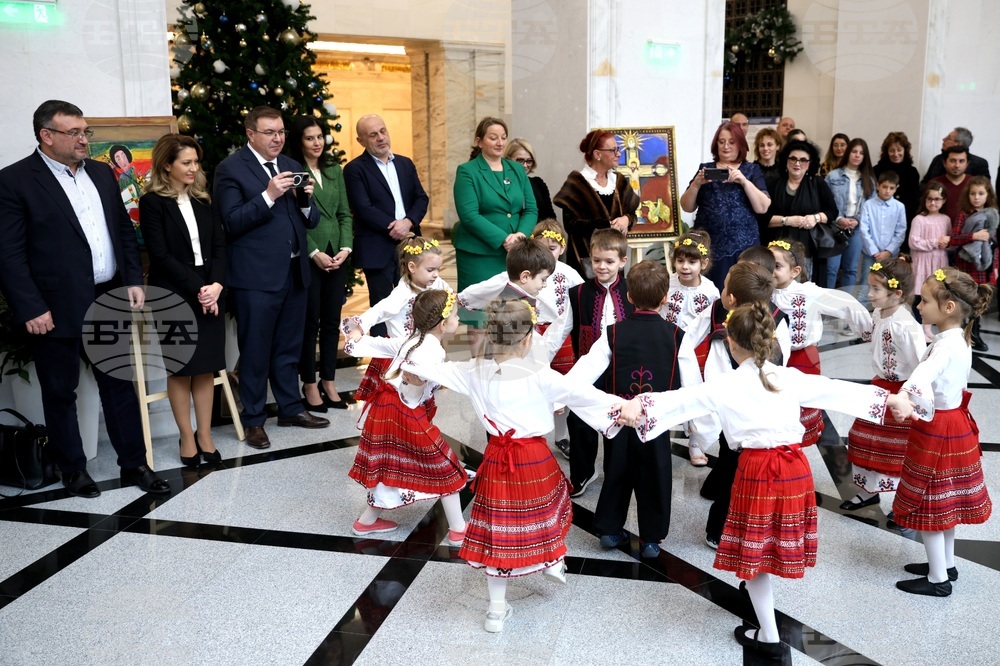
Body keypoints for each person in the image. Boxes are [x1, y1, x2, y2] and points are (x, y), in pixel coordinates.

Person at [616, 302, 908, 659]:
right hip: (796, 469)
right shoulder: (788, 376)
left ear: (731, 345)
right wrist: (890, 399)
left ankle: (768, 638)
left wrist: (637, 406)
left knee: (753, 553)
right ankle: (759, 596)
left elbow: (680, 401)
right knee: (766, 544)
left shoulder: (726, 384)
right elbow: (836, 390)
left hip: (759, 470)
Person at [402, 299, 624, 633]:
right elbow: (586, 395)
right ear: (526, 340)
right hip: (533, 459)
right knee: (546, 511)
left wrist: (411, 364)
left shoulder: (473, 370)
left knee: (499, 532)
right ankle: (552, 561)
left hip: (497, 459)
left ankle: (496, 610)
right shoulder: (541, 375)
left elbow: (428, 363)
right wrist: (629, 408)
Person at [0, 100, 169, 497]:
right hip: (53, 307)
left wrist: (132, 278)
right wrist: (31, 307)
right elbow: (8, 254)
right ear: (47, 136)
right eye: (74, 132)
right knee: (60, 392)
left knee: (119, 386)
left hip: (108, 296)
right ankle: (73, 468)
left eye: (85, 131)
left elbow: (123, 232)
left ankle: (134, 465)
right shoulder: (15, 181)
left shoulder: (101, 172)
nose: (84, 140)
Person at [213, 106, 329, 451]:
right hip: (255, 277)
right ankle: (253, 420)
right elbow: (231, 221)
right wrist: (269, 195)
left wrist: (306, 200)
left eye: (280, 132)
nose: (278, 138)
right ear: (251, 134)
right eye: (269, 132)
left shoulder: (291, 165)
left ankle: (291, 408)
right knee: (255, 350)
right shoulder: (231, 169)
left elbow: (309, 220)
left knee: (288, 347)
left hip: (294, 272)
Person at [566, 260, 682, 558]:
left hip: (618, 418)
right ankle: (651, 539)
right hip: (655, 423)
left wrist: (561, 396)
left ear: (629, 297)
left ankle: (609, 529)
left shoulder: (613, 332)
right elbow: (691, 387)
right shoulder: (676, 335)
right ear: (666, 297)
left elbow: (585, 371)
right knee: (655, 475)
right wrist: (699, 432)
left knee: (616, 470)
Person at [892, 267, 993, 597]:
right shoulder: (959, 338)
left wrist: (904, 395)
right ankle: (945, 564)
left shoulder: (943, 347)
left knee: (930, 505)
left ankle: (938, 580)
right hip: (955, 425)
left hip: (938, 430)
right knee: (944, 503)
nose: (918, 305)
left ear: (948, 307)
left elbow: (923, 375)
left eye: (924, 300)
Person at [679, 261, 792, 545]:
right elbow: (686, 342)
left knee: (735, 462)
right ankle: (715, 493)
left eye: (725, 283)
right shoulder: (716, 310)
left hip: (752, 406)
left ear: (731, 298)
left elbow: (780, 366)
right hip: (722, 396)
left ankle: (717, 530)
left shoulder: (777, 321)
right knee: (728, 456)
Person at [344, 289, 467, 540]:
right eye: (456, 316)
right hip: (405, 414)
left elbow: (372, 344)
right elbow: (429, 377)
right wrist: (418, 373)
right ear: (443, 324)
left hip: (388, 411)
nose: (459, 320)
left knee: (390, 465)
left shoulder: (412, 338)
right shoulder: (431, 349)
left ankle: (366, 522)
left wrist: (355, 333)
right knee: (445, 466)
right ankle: (458, 530)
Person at [140, 134, 226, 467]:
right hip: (173, 295)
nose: (194, 168)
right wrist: (199, 289)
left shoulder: (205, 200)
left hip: (210, 290)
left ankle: (205, 434)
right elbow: (160, 256)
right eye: (186, 163)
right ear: (167, 166)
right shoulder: (152, 203)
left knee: (204, 369)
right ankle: (186, 436)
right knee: (181, 369)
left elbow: (220, 246)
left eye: (196, 162)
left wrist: (216, 285)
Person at [840, 259, 925, 512]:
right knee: (865, 439)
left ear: (897, 293)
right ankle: (869, 491)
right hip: (879, 387)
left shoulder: (907, 325)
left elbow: (921, 365)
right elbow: (871, 333)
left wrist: (912, 398)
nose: (870, 294)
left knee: (896, 449)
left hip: (902, 393)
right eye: (870, 288)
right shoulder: (879, 312)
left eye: (876, 289)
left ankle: (905, 501)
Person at [768, 240, 869, 446]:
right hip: (771, 358)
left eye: (777, 266)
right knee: (775, 400)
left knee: (802, 400)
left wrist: (867, 331)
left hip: (802, 356)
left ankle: (797, 444)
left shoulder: (808, 293)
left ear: (795, 271)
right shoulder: (762, 291)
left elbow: (845, 302)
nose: (770, 271)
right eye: (766, 265)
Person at [286, 115, 353, 411]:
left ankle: (329, 379)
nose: (316, 143)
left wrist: (346, 248)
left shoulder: (335, 170)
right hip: (310, 256)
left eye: (319, 137)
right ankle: (309, 383)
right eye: (309, 138)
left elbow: (345, 214)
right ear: (299, 141)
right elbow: (294, 219)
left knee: (331, 322)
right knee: (309, 323)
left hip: (337, 255)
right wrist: (314, 252)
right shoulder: (292, 171)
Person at [343, 114, 429, 338]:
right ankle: (382, 365)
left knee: (414, 303)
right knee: (382, 307)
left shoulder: (405, 163)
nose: (380, 138)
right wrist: (394, 227)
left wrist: (408, 222)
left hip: (411, 244)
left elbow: (421, 198)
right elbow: (363, 207)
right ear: (361, 140)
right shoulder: (354, 169)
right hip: (376, 247)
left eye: (383, 131)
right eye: (373, 135)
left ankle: (413, 357)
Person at [566, 229, 633, 497]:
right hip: (587, 371)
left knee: (617, 421)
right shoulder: (578, 293)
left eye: (608, 261)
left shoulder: (632, 291)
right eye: (596, 261)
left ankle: (615, 472)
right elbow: (563, 329)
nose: (601, 266)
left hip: (621, 370)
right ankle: (582, 472)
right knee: (580, 421)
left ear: (622, 262)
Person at [343, 235, 450, 401]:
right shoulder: (403, 293)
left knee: (423, 396)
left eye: (438, 269)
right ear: (412, 267)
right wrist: (360, 327)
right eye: (430, 270)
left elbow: (451, 297)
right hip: (402, 351)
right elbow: (380, 309)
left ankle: (420, 424)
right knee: (401, 398)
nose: (436, 275)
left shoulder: (438, 284)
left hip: (424, 351)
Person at [679, 122, 771, 290]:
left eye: (731, 141)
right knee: (709, 294)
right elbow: (686, 206)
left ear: (740, 144)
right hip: (709, 245)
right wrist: (696, 184)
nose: (726, 146)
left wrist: (744, 181)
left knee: (742, 290)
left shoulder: (751, 170)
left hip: (743, 246)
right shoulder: (705, 168)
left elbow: (763, 207)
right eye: (721, 142)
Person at [453, 117, 538, 298]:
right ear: (479, 141)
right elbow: (469, 215)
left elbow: (531, 209)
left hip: (515, 252)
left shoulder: (516, 169)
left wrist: (521, 235)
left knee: (513, 312)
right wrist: (503, 239)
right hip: (480, 253)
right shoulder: (467, 171)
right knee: (479, 316)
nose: (500, 143)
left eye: (503, 137)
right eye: (493, 138)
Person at [530, 219, 585, 458]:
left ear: (562, 249)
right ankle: (534, 433)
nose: (546, 253)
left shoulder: (569, 273)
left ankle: (562, 435)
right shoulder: (526, 271)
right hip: (533, 334)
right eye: (541, 247)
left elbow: (583, 298)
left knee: (562, 385)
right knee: (534, 384)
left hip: (562, 335)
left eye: (552, 248)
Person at [553, 130, 639, 276]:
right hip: (585, 262)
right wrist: (606, 225)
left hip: (614, 262)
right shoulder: (577, 183)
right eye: (613, 150)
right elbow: (571, 226)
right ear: (597, 154)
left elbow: (631, 214)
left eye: (618, 149)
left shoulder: (619, 181)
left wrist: (627, 219)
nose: (618, 154)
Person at [760, 139, 838, 280]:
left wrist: (815, 218)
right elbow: (763, 218)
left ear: (809, 164)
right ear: (786, 160)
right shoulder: (773, 184)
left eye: (803, 160)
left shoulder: (817, 183)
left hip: (809, 248)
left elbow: (832, 212)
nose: (797, 163)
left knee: (805, 289)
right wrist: (787, 220)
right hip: (777, 248)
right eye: (793, 159)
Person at [948, 176, 999, 352]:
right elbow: (954, 239)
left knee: (980, 300)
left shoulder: (992, 216)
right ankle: (963, 332)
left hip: (984, 265)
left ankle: (975, 332)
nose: (976, 197)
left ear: (988, 195)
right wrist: (973, 237)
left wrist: (996, 267)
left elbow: (995, 244)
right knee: (966, 300)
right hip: (966, 265)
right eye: (973, 193)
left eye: (981, 193)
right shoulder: (964, 215)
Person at [825, 138, 877, 292]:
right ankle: (826, 303)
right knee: (831, 268)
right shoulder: (833, 176)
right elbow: (827, 201)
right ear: (848, 153)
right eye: (854, 151)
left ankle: (845, 304)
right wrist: (840, 219)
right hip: (835, 228)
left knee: (851, 269)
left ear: (865, 156)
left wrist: (857, 221)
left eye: (861, 153)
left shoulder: (870, 180)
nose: (857, 155)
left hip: (856, 230)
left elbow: (871, 207)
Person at [908, 182, 952, 341]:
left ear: (944, 200)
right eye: (930, 199)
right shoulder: (919, 219)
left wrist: (947, 242)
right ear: (925, 200)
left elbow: (949, 240)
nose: (933, 203)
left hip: (938, 262)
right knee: (920, 295)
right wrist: (935, 242)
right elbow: (913, 242)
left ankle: (927, 328)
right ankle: (918, 328)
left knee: (934, 296)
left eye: (937, 199)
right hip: (922, 262)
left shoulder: (946, 219)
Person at [858, 172, 908, 296]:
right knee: (865, 284)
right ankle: (860, 313)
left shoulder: (899, 207)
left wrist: (888, 251)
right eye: (884, 187)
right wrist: (874, 251)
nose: (887, 191)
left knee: (889, 286)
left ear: (896, 188)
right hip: (871, 255)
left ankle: (883, 313)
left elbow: (901, 231)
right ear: (878, 185)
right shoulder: (868, 204)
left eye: (891, 188)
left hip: (891, 255)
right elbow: (864, 229)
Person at [661, 230, 719, 332]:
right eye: (680, 261)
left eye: (692, 262)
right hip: (668, 339)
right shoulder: (666, 283)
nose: (685, 267)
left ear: (703, 264)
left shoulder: (710, 291)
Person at [873, 131, 921, 228]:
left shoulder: (912, 172)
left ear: (905, 151)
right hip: (880, 218)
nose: (896, 154)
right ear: (886, 151)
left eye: (899, 150)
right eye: (892, 150)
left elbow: (914, 200)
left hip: (904, 219)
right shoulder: (877, 170)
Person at [504, 137, 556, 221]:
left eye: (529, 161)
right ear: (508, 159)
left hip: (540, 232)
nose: (525, 165)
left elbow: (551, 217)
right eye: (520, 160)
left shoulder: (539, 184)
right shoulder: (502, 184)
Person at [920, 127, 991, 187]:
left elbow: (984, 188)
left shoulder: (979, 164)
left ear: (958, 144)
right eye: (952, 161)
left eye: (948, 138)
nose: (943, 139)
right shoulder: (938, 159)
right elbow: (925, 182)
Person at [932, 145, 973, 223]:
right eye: (953, 161)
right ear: (944, 163)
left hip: (968, 232)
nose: (957, 165)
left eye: (961, 161)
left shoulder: (974, 184)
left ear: (967, 163)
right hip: (939, 230)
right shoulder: (934, 184)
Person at [752, 127, 782, 192]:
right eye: (762, 145)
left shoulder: (783, 169)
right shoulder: (751, 169)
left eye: (769, 145)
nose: (765, 148)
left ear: (777, 146)